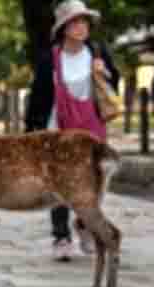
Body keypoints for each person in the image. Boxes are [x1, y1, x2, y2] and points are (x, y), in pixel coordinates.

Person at [25, 0, 119, 261]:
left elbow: (114, 84)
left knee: (93, 182)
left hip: (92, 127)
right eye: (75, 22)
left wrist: (105, 72)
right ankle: (61, 236)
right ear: (64, 28)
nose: (81, 27)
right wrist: (32, 129)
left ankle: (85, 225)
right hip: (59, 129)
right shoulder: (50, 59)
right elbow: (38, 96)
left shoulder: (97, 52)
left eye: (84, 22)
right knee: (58, 184)